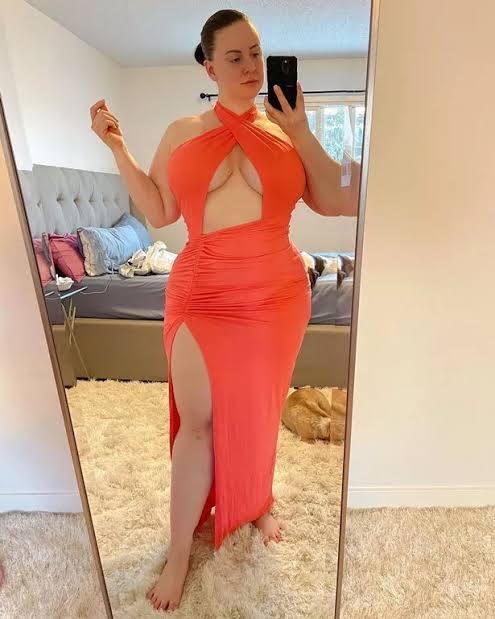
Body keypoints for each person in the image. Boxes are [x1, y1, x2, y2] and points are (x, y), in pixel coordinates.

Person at [90, 8, 360, 613]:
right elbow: (159, 210)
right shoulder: (181, 132)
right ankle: (179, 551)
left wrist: (302, 130)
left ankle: (256, 501)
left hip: (275, 294)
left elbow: (338, 199)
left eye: (256, 53)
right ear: (209, 67)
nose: (250, 66)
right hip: (202, 290)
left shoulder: (287, 131)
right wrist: (117, 147)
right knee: (198, 421)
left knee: (261, 409)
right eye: (235, 57)